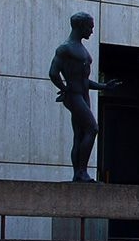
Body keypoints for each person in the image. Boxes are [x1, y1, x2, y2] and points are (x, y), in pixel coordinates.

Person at [48, 12, 120, 182]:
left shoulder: (80, 48)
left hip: (82, 94)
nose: (92, 31)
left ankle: (79, 173)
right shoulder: (65, 48)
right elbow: (53, 73)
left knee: (80, 134)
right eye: (90, 27)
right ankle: (81, 171)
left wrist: (104, 86)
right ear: (80, 26)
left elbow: (85, 81)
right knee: (92, 128)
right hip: (74, 95)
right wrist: (65, 89)